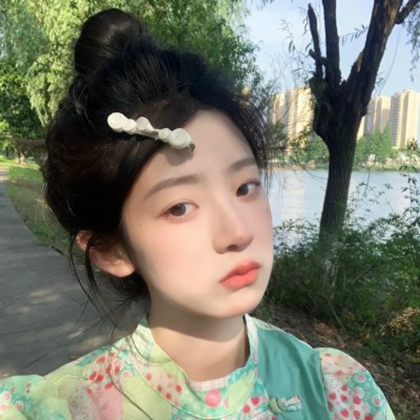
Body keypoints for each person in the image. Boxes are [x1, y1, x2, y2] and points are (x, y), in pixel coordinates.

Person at [0, 8, 395, 420]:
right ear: (111, 249)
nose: (238, 231)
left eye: (245, 187)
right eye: (180, 207)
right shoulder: (57, 409)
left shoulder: (338, 396)